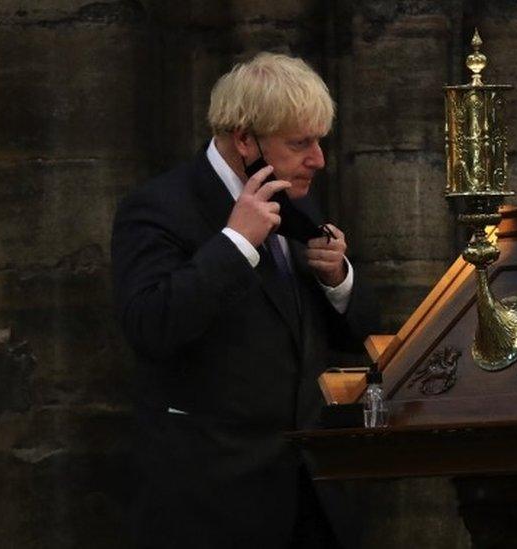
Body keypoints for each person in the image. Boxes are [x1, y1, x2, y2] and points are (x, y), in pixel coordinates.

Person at [111, 52, 376, 548]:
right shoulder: (159, 206)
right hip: (210, 503)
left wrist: (338, 278)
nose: (318, 159)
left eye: (319, 141)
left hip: (310, 497)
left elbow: (356, 335)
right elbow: (150, 325)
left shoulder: (298, 201)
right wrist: (235, 243)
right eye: (300, 144)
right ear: (244, 139)